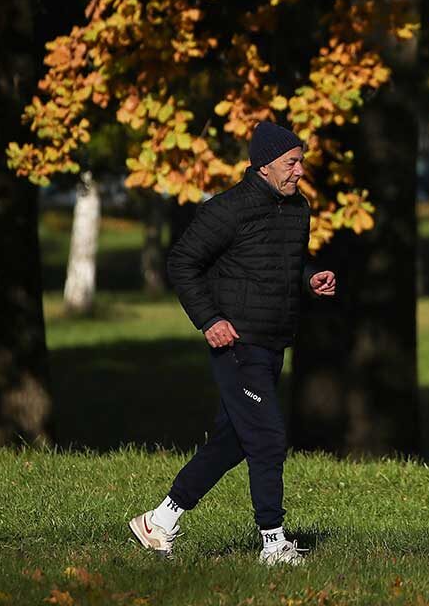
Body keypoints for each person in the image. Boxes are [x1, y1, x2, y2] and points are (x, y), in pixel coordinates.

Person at [129, 122, 338, 565]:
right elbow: (182, 262)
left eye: (301, 161)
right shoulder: (227, 209)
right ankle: (273, 542)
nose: (300, 170)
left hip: (273, 341)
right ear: (264, 166)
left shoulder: (298, 209)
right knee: (266, 438)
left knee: (232, 440)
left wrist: (310, 279)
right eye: (291, 162)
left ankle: (159, 522)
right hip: (236, 343)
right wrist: (209, 320)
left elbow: (286, 266)